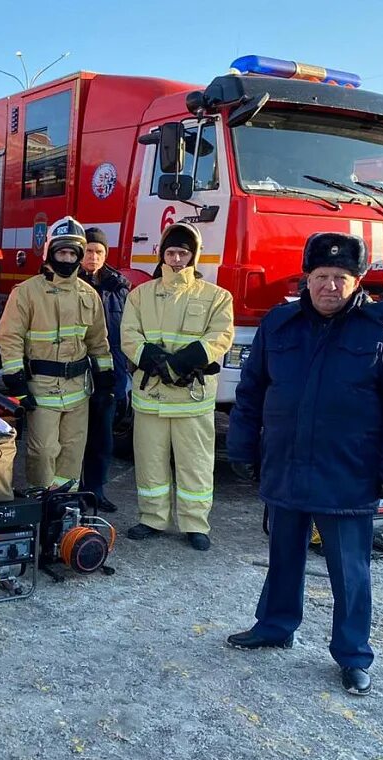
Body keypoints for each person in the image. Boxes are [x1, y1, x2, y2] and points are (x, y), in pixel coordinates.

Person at [227, 232, 383, 697]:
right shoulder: (279, 324)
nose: (330, 287)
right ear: (307, 278)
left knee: (350, 570)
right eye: (322, 276)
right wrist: (241, 446)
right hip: (287, 463)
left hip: (348, 471)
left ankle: (354, 655)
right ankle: (276, 625)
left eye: (341, 278)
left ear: (357, 282)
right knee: (284, 555)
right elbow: (252, 392)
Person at [120, 222, 234, 551]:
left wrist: (181, 363)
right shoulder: (140, 295)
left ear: (194, 256)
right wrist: (155, 360)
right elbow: (129, 335)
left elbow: (221, 336)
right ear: (161, 255)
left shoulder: (217, 296)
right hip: (152, 395)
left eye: (183, 252)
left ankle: (195, 523)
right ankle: (152, 518)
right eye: (171, 252)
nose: (176, 259)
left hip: (191, 398)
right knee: (149, 461)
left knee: (195, 464)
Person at [0, 216, 114, 489]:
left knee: (72, 453)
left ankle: (65, 505)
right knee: (43, 452)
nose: (67, 257)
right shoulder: (26, 292)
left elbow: (98, 341)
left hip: (78, 390)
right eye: (62, 251)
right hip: (41, 390)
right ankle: (42, 502)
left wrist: (106, 377)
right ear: (50, 253)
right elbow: (9, 337)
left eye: (73, 253)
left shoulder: (88, 294)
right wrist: (16, 381)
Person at [79, 227, 131, 512]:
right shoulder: (68, 282)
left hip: (109, 374)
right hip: (75, 374)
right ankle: (71, 491)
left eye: (99, 252)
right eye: (88, 251)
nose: (93, 257)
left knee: (102, 437)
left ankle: (95, 490)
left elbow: (124, 335)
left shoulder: (118, 287)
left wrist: (121, 379)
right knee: (73, 439)